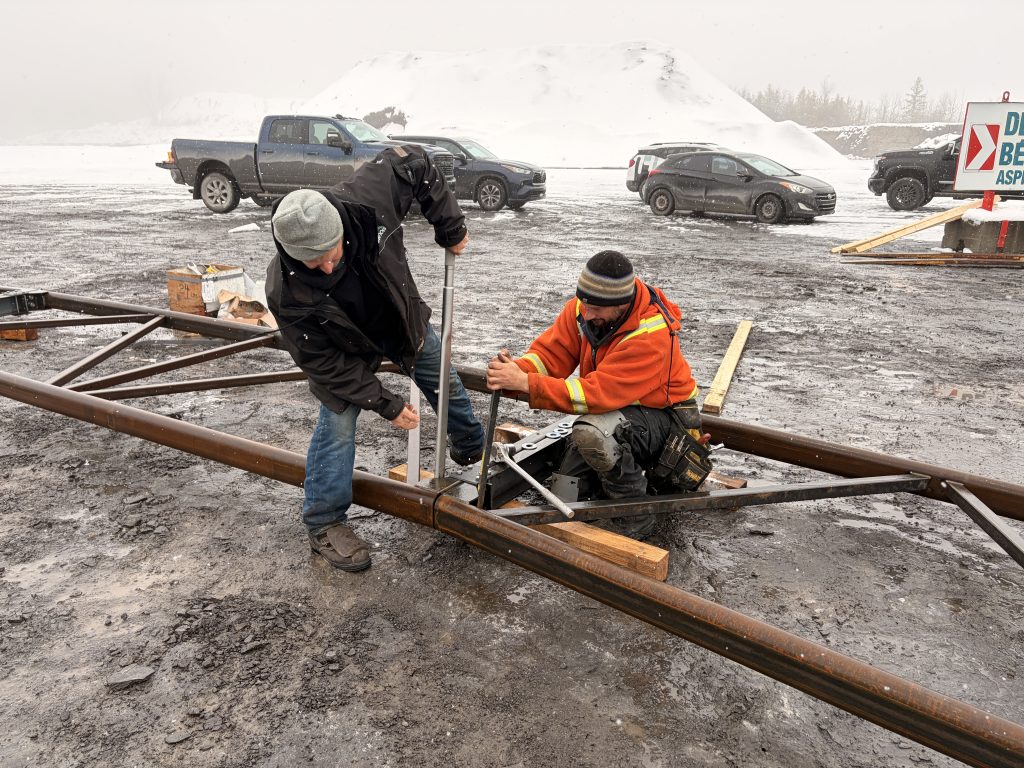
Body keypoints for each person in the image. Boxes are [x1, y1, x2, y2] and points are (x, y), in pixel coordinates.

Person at [266, 145, 485, 572]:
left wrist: (450, 225)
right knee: (338, 420)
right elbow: (324, 364)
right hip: (346, 347)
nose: (327, 268)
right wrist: (385, 403)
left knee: (445, 381)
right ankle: (324, 521)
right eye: (313, 262)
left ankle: (472, 448)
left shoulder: (368, 199)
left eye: (332, 254)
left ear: (341, 229)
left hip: (399, 319)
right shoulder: (285, 291)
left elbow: (415, 161)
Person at [485, 250, 711, 538]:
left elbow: (595, 394)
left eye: (596, 309)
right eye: (584, 304)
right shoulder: (585, 308)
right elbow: (550, 356)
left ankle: (634, 516)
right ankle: (616, 484)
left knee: (592, 433)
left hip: (667, 424)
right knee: (566, 490)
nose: (586, 313)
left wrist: (528, 384)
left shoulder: (651, 335)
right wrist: (515, 372)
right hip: (621, 414)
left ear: (621, 304)